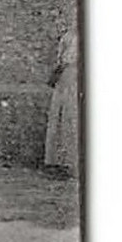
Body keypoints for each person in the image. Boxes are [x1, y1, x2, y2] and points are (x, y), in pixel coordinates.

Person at [43, 28, 79, 174]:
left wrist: (57, 71)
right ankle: (61, 160)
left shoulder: (73, 36)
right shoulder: (71, 35)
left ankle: (65, 160)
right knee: (64, 116)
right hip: (68, 77)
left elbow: (65, 59)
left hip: (70, 76)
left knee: (67, 117)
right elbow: (63, 59)